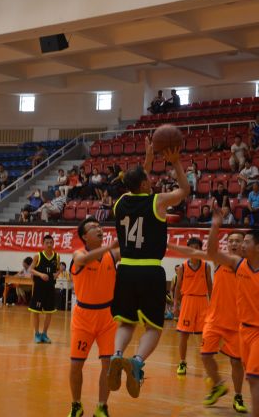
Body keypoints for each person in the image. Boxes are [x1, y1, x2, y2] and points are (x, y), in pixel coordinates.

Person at [108, 140, 189, 399]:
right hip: (150, 271)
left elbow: (137, 182)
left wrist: (148, 159)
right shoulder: (158, 201)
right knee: (153, 328)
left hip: (125, 269)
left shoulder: (120, 202)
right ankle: (137, 361)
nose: (151, 181)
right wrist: (175, 162)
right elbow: (185, 190)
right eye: (148, 179)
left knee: (126, 322)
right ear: (144, 184)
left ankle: (116, 355)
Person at [207, 222, 259, 417]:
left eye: (246, 242)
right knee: (253, 378)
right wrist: (215, 226)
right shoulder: (238, 264)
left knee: (253, 378)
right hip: (243, 329)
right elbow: (212, 253)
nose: (241, 245)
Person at [190, 231, 249, 413]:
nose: (233, 244)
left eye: (237, 241)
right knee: (205, 355)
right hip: (214, 320)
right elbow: (209, 250)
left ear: (244, 245)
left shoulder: (249, 266)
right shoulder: (218, 261)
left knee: (236, 363)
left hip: (237, 323)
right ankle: (218, 385)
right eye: (230, 241)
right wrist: (214, 227)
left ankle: (238, 396)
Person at [67, 217, 119, 417]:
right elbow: (82, 260)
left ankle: (102, 406)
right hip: (83, 317)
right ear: (84, 236)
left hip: (108, 317)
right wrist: (109, 248)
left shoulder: (113, 255)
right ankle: (76, 405)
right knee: (76, 365)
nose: (99, 229)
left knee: (108, 364)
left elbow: (134, 250)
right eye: (93, 227)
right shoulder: (79, 254)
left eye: (99, 226)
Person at [168, 238, 212, 379]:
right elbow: (178, 287)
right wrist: (176, 304)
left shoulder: (206, 266)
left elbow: (210, 286)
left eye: (196, 247)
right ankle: (182, 362)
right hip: (187, 301)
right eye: (191, 247)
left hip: (202, 301)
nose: (194, 250)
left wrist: (213, 304)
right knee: (183, 335)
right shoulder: (183, 267)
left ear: (201, 249)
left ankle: (208, 366)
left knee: (205, 336)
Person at [29, 235, 61, 343]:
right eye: (47, 243)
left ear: (53, 243)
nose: (49, 245)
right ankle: (37, 334)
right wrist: (41, 274)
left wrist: (57, 274)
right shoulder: (38, 256)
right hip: (39, 288)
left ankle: (45, 334)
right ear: (43, 244)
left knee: (49, 312)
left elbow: (58, 270)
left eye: (51, 242)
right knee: (36, 311)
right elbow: (31, 269)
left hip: (50, 288)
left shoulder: (57, 256)